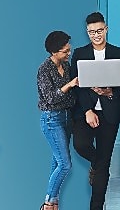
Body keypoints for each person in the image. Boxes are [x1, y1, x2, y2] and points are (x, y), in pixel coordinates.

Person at [69, 11, 120, 210]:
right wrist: (87, 110)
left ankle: (96, 207)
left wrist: (109, 91)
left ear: (106, 29)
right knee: (81, 144)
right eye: (91, 32)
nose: (96, 35)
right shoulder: (79, 54)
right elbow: (77, 85)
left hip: (110, 113)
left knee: (104, 166)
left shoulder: (119, 53)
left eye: (99, 30)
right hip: (85, 112)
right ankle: (97, 163)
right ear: (87, 32)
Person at [38, 31, 81, 210]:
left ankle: (54, 202)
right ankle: (48, 203)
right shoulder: (44, 69)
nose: (68, 54)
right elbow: (50, 98)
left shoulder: (67, 65)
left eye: (69, 50)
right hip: (51, 118)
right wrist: (69, 85)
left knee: (57, 162)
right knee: (65, 164)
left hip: (66, 117)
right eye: (65, 51)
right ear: (54, 52)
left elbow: (72, 96)